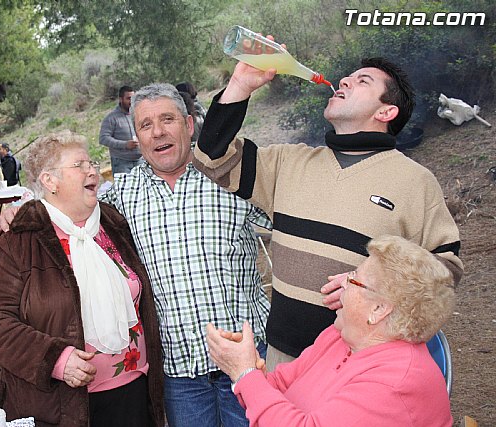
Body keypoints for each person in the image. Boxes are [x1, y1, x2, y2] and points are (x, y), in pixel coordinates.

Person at [0, 83, 271, 427]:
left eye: (167, 119)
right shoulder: (121, 196)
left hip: (247, 362)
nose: (158, 132)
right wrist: (20, 211)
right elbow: (64, 205)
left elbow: (288, 214)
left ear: (188, 125)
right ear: (137, 138)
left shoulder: (230, 178)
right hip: (179, 374)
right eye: (145, 125)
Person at [193, 56, 463, 369]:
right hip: (283, 359)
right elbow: (211, 158)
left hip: (361, 364)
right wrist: (239, 86)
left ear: (386, 112)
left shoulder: (415, 182)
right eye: (348, 77)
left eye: (363, 81)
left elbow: (446, 269)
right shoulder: (286, 163)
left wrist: (374, 284)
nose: (345, 80)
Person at [0, 132, 164, 427]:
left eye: (92, 163)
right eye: (79, 165)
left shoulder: (113, 223)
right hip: (63, 405)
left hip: (134, 392)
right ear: (50, 181)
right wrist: (55, 359)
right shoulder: (21, 239)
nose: (92, 171)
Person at [207, 235, 454, 426]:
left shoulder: (396, 382)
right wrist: (248, 370)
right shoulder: (341, 337)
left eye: (353, 278)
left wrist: (246, 374)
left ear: (379, 309)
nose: (342, 281)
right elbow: (279, 384)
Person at [99, 85, 142, 174]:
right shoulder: (111, 118)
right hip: (121, 163)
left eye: (133, 98)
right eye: (128, 98)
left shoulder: (138, 115)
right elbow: (103, 138)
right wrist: (125, 144)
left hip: (141, 161)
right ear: (120, 99)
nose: (131, 101)